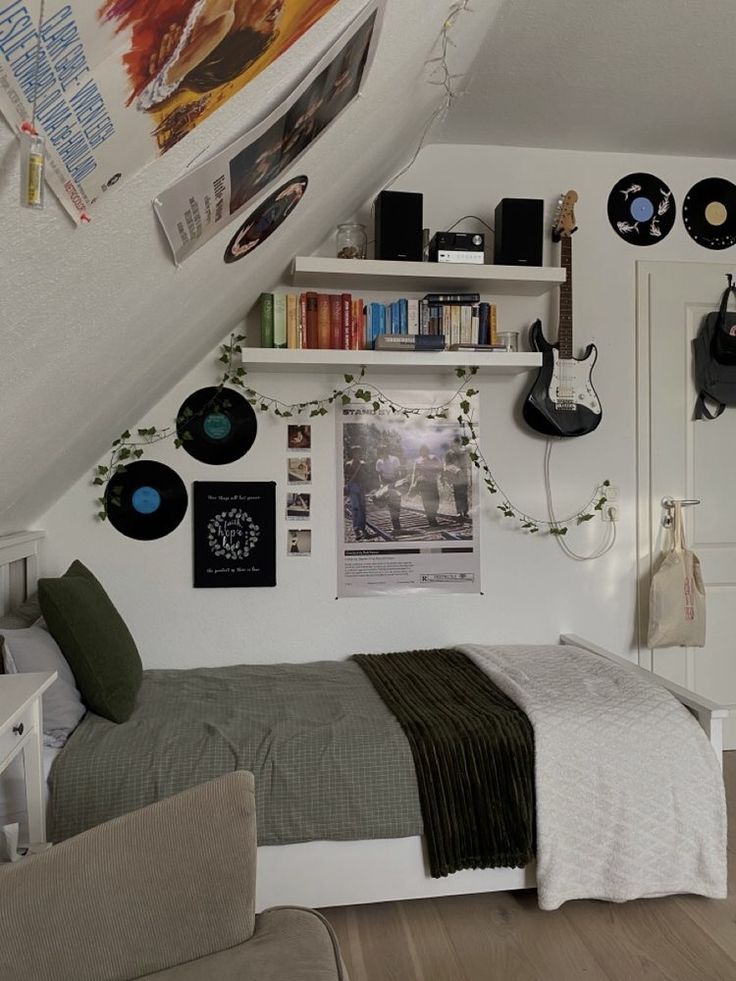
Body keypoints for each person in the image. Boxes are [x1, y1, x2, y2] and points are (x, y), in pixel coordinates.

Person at [100, 0, 286, 109]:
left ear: (240, 30)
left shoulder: (219, 23)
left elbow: (151, 93)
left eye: (272, 13)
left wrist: (166, 68)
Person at [410, 444, 442, 527]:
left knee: (436, 500)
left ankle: (433, 516)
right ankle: (431, 520)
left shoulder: (434, 458)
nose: (424, 453)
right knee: (426, 502)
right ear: (420, 452)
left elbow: (440, 468)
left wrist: (431, 467)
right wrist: (413, 484)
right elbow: (415, 473)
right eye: (422, 451)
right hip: (423, 484)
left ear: (428, 451)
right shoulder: (417, 461)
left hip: (433, 482)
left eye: (425, 451)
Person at [344, 445, 370, 541]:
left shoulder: (364, 464)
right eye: (355, 452)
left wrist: (366, 487)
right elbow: (346, 477)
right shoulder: (348, 464)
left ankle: (362, 528)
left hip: (361, 487)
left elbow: (367, 477)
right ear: (353, 453)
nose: (357, 454)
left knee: (362, 508)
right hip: (353, 488)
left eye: (358, 452)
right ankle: (356, 529)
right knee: (355, 508)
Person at [375, 445, 403, 533]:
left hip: (394, 482)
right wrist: (382, 485)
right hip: (385, 484)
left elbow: (398, 472)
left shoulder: (395, 459)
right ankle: (396, 525)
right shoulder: (379, 462)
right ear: (381, 452)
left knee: (397, 502)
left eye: (385, 450)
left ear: (388, 451)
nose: (384, 452)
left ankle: (396, 523)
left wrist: (396, 484)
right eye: (382, 451)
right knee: (391, 504)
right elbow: (379, 474)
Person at [443, 435, 471, 521]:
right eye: (455, 443)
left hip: (464, 477)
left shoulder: (464, 452)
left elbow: (469, 464)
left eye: (459, 443)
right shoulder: (449, 454)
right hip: (455, 478)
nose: (457, 445)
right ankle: (459, 512)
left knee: (464, 495)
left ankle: (465, 512)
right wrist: (457, 470)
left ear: (460, 444)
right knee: (457, 495)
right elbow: (447, 465)